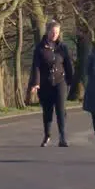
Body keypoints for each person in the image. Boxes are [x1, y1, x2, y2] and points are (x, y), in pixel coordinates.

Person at [29, 19, 75, 147]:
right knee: (47, 111)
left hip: (60, 81)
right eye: (53, 32)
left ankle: (62, 136)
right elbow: (36, 67)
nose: (55, 34)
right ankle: (47, 135)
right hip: (45, 83)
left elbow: (68, 65)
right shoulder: (40, 48)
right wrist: (36, 83)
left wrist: (70, 82)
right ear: (48, 32)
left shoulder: (62, 47)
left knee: (61, 110)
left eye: (57, 32)